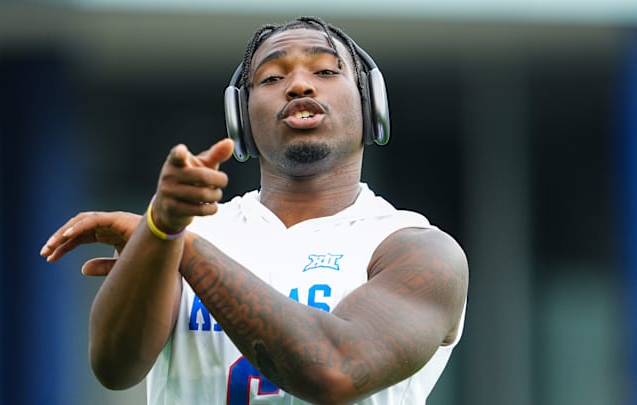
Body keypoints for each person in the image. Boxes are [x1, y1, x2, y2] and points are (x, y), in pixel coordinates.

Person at [40, 16, 468, 405]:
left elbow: (334, 373)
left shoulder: (419, 250)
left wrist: (178, 242)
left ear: (370, 102)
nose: (300, 86)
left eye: (325, 71)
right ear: (240, 118)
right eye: (271, 77)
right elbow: (116, 369)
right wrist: (159, 231)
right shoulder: (176, 231)